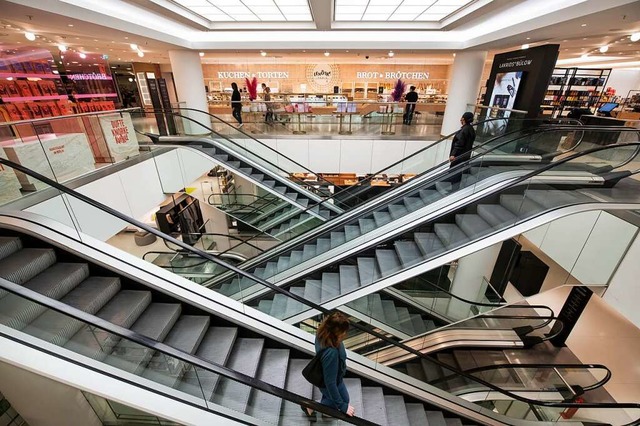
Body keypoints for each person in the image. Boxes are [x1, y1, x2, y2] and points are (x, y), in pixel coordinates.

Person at [302, 312, 355, 419]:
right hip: (331, 380)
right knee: (344, 401)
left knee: (335, 398)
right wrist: (342, 406)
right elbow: (330, 383)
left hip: (330, 375)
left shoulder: (322, 334)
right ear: (336, 332)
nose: (345, 334)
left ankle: (325, 411)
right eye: (343, 332)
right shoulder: (331, 353)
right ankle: (310, 407)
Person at [448, 111, 476, 189]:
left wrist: (453, 154)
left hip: (459, 156)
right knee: (458, 173)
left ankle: (454, 189)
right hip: (465, 155)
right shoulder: (471, 129)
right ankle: (454, 188)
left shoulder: (464, 130)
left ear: (463, 119)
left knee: (454, 172)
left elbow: (459, 143)